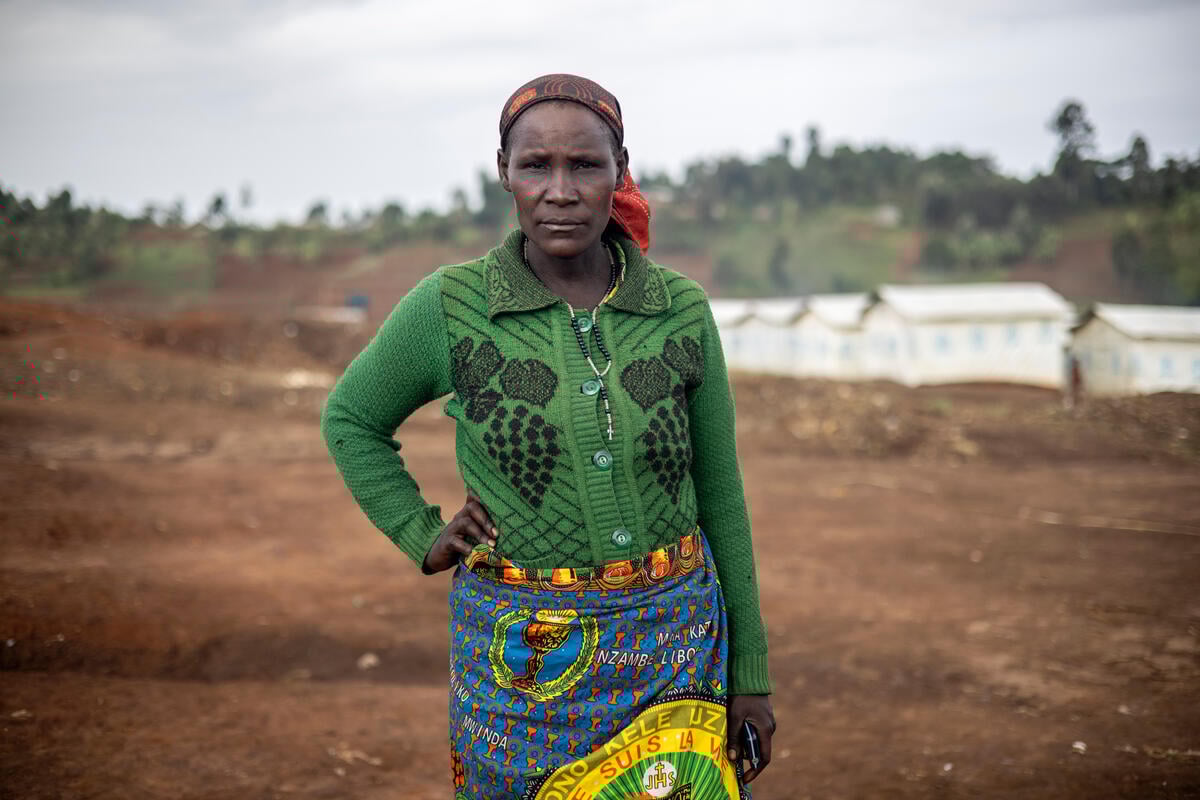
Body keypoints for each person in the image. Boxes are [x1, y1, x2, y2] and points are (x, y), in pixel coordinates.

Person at [321, 73, 774, 799]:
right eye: (535, 166)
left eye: (585, 166)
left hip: (677, 655)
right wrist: (420, 532)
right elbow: (351, 419)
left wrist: (749, 677)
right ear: (504, 173)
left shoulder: (680, 310)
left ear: (620, 171)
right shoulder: (452, 306)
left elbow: (722, 496)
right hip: (519, 670)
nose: (559, 190)